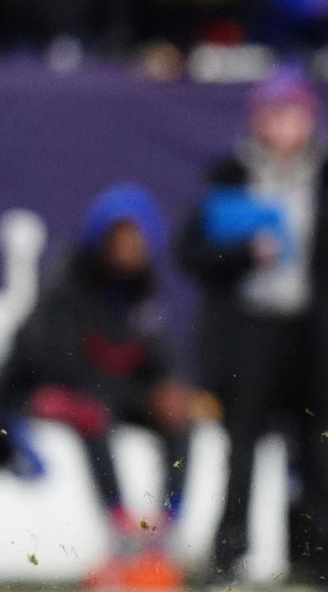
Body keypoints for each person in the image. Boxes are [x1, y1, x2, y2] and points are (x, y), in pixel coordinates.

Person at [176, 66, 328, 584]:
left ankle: (324, 560)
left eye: (295, 114)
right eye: (274, 114)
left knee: (315, 451)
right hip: (249, 332)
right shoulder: (230, 175)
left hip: (311, 336)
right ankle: (229, 555)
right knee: (240, 449)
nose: (285, 126)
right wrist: (244, 254)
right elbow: (190, 250)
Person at [3, 184, 197, 587]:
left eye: (136, 238)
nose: (128, 248)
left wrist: (165, 390)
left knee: (181, 419)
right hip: (43, 391)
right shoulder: (69, 285)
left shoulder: (143, 292)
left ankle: (161, 532)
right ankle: (121, 532)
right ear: (101, 239)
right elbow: (57, 363)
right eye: (119, 238)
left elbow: (154, 360)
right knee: (95, 414)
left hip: (109, 394)